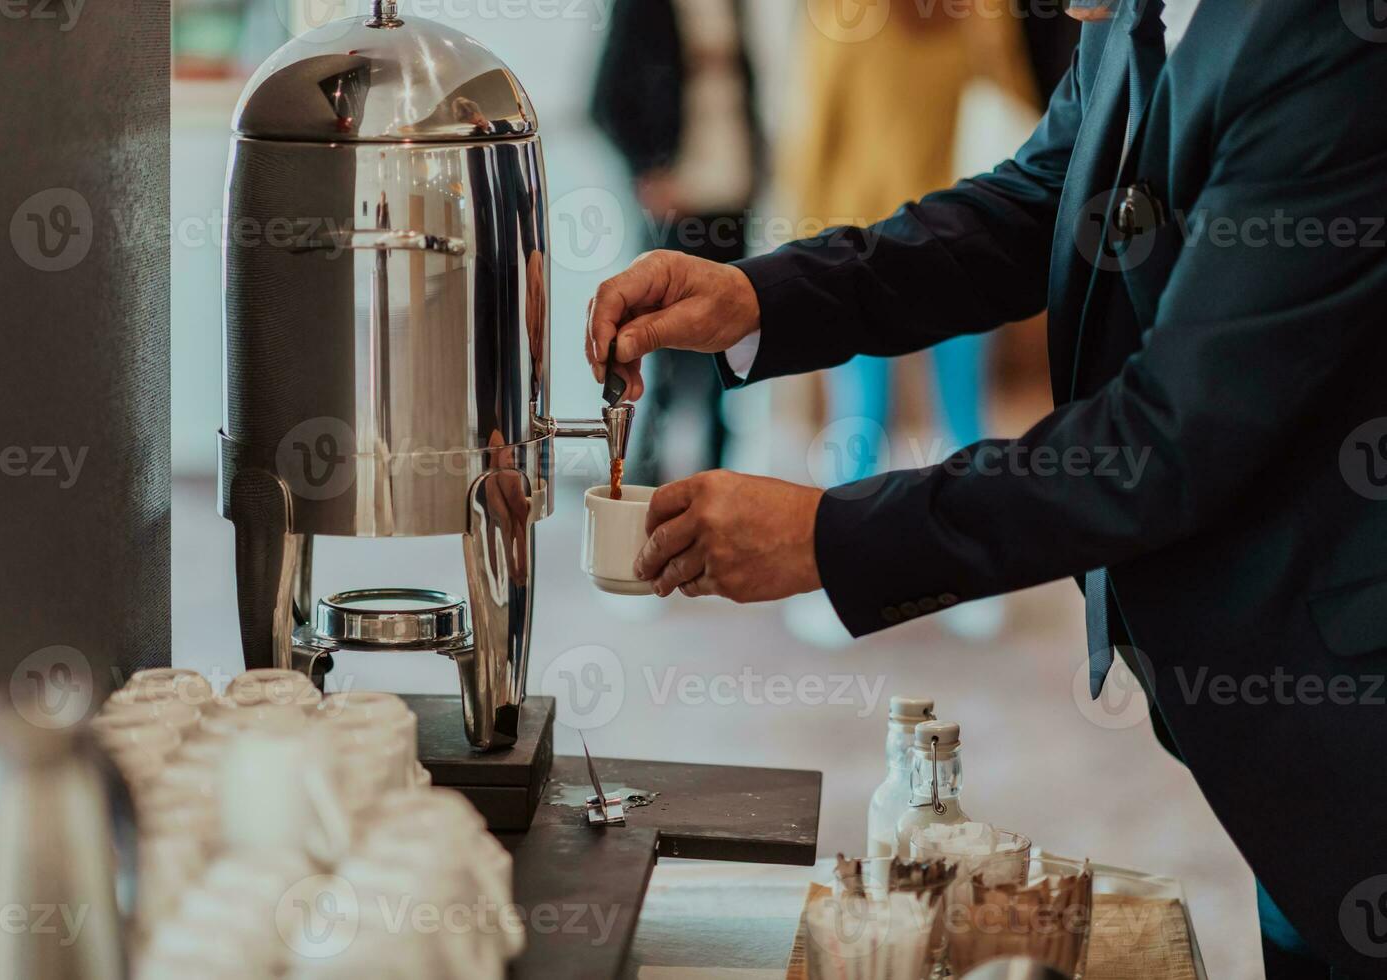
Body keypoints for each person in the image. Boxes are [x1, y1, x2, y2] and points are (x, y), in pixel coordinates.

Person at [583, 0, 1387, 975]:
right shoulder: (1126, 15)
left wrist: (830, 536)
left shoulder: (1330, 43)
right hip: (1274, 727)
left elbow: (1165, 438)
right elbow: (1034, 203)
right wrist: (762, 299)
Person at [779, 0, 1041, 644]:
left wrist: (801, 253)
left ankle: (872, 580)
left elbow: (813, 133)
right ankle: (955, 579)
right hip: (934, 238)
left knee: (895, 419)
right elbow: (1018, 112)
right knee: (928, 419)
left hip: (895, 241)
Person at [589, 0, 761, 485]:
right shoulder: (641, 9)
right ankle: (643, 470)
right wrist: (649, 171)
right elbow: (604, 101)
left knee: (732, 340)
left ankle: (716, 469)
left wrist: (759, 168)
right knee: (659, 344)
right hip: (676, 200)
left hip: (732, 193)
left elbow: (746, 87)